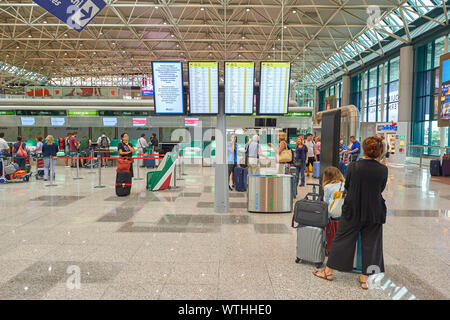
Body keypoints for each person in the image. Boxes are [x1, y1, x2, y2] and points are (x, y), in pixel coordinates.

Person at [313, 136, 388, 290]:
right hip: (374, 211)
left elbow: (348, 186)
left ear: (364, 150)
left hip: (353, 210)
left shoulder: (354, 166)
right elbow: (380, 189)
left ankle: (328, 271)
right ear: (380, 151)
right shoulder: (383, 169)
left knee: (342, 239)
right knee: (372, 244)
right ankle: (365, 278)